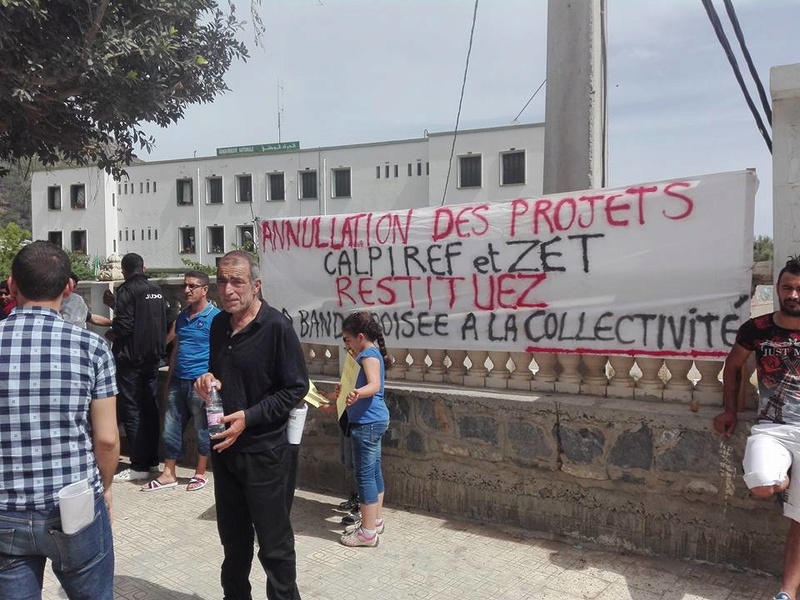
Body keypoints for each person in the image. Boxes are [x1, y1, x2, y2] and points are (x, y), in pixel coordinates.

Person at [0, 241, 119, 599]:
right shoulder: (92, 348)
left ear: (12, 285)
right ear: (68, 288)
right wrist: (107, 485)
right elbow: (108, 439)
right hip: (75, 503)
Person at [194, 250, 309, 600]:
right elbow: (222, 374)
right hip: (225, 451)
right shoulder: (218, 324)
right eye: (221, 280)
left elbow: (296, 387)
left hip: (265, 454)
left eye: (237, 281)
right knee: (234, 544)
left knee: (274, 547)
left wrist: (250, 417)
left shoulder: (276, 327)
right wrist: (206, 382)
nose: (227, 289)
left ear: (256, 285)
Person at [714, 256, 800, 600]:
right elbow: (733, 365)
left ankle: (786, 592)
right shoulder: (757, 328)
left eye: (799, 289)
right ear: (778, 290)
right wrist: (729, 410)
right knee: (764, 485)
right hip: (773, 428)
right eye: (788, 288)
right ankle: (785, 480)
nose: (794, 294)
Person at [142, 271, 220, 492]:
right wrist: (169, 381)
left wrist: (213, 381)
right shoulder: (182, 317)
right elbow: (175, 349)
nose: (186, 290)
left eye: (192, 286)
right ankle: (169, 473)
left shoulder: (216, 318)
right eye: (185, 286)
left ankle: (200, 472)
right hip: (178, 380)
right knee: (170, 427)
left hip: (201, 382)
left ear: (205, 290)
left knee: (203, 428)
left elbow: (222, 352)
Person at [104, 253, 168, 482]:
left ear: (124, 271)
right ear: (144, 267)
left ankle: (139, 465)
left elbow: (124, 325)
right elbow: (160, 319)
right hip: (153, 359)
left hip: (130, 360)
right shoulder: (156, 290)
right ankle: (152, 460)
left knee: (132, 410)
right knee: (150, 409)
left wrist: (112, 333)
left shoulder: (127, 290)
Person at [336, 311, 392, 547]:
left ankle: (367, 533)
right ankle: (375, 520)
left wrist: (358, 393)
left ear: (360, 336)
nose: (346, 345)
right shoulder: (370, 353)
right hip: (371, 421)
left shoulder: (368, 355)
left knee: (365, 476)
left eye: (347, 340)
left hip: (367, 423)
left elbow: (374, 385)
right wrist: (339, 396)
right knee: (373, 472)